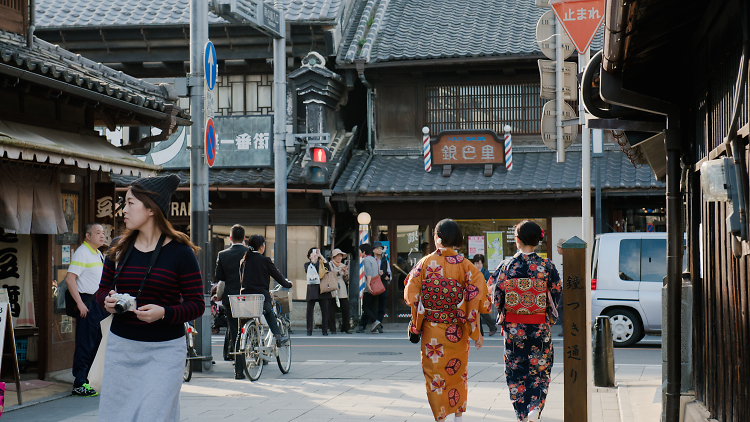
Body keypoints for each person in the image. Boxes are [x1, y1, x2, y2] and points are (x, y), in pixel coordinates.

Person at [95, 174, 204, 421]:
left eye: (130, 203)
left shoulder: (180, 252)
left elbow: (197, 304)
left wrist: (164, 313)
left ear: (151, 209)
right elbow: (102, 290)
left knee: (154, 415)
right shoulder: (118, 247)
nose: (124, 209)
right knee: (117, 416)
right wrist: (107, 301)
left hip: (165, 351)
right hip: (121, 348)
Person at [404, 219, 491, 422]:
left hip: (432, 329)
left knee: (435, 376)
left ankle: (440, 417)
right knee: (457, 373)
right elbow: (477, 295)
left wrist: (416, 324)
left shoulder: (425, 263)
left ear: (437, 238)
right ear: (458, 240)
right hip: (457, 330)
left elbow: (411, 293)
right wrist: (475, 331)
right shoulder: (466, 265)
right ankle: (458, 417)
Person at [488, 220, 562, 422]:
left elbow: (496, 295)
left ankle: (522, 413)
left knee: (516, 372)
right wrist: (548, 319)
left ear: (517, 240)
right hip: (539, 327)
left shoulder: (506, 266)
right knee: (540, 369)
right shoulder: (547, 266)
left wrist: (503, 313)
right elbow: (555, 294)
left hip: (513, 329)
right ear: (538, 240)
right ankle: (535, 406)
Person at [238, 235, 293, 377]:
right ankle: (278, 336)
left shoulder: (244, 261)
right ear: (261, 246)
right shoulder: (265, 260)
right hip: (261, 297)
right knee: (269, 313)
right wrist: (288, 284)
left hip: (246, 299)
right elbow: (278, 276)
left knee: (245, 323)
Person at [64, 223, 107, 397]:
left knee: (97, 344)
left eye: (103, 233)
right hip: (87, 304)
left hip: (99, 304)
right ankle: (79, 382)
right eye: (98, 233)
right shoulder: (83, 252)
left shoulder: (98, 253)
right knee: (85, 344)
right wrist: (80, 304)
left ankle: (89, 380)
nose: (102, 236)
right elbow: (69, 279)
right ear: (88, 236)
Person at [214, 225, 248, 368]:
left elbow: (219, 277)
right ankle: (249, 353)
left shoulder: (223, 254)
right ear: (244, 238)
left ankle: (237, 358)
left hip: (230, 297)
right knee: (247, 326)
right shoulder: (250, 252)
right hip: (247, 296)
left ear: (230, 238)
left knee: (234, 328)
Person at [305, 248, 331, 336]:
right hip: (312, 289)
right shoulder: (307, 264)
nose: (315, 254)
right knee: (309, 311)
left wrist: (321, 257)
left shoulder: (322, 263)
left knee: (325, 310)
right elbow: (307, 271)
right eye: (313, 253)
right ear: (309, 256)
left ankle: (325, 330)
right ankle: (309, 330)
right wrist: (313, 261)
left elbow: (328, 268)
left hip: (322, 289)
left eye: (316, 253)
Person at [356, 244, 381, 333]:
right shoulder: (374, 259)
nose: (360, 254)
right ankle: (375, 329)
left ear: (363, 252)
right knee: (373, 307)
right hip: (377, 285)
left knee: (365, 306)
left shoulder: (366, 259)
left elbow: (369, 271)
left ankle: (375, 321)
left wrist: (368, 284)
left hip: (371, 285)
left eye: (360, 252)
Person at [471, 254, 497, 337]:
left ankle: (490, 327)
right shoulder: (472, 271)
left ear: (482, 264)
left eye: (479, 263)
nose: (477, 265)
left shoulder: (485, 272)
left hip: (483, 295)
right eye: (476, 263)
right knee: (479, 312)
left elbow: (489, 284)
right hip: (474, 295)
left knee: (481, 312)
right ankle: (483, 331)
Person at [327, 249, 352, 334]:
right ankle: (332, 328)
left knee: (346, 307)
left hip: (341, 287)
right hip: (332, 287)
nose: (339, 258)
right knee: (331, 308)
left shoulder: (343, 265)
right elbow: (331, 274)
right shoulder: (329, 264)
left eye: (340, 256)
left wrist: (345, 273)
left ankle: (345, 327)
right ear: (333, 257)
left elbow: (346, 279)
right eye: (337, 256)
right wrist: (340, 271)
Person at [373, 241, 392, 333]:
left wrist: (388, 277)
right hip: (374, 285)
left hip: (383, 285)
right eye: (377, 248)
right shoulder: (371, 260)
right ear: (373, 250)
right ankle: (373, 323)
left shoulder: (385, 260)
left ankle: (379, 324)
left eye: (380, 248)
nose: (379, 250)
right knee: (373, 305)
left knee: (382, 306)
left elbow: (389, 273)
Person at [555, 238, 565, 336]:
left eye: (558, 247)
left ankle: (565, 329)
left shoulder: (567, 257)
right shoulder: (565, 257)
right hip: (562, 286)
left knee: (561, 308)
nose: (557, 250)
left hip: (564, 288)